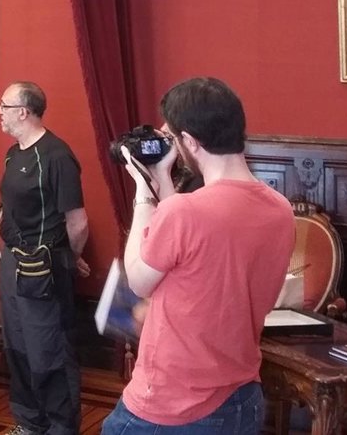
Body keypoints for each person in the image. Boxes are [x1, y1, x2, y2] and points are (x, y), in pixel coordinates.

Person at [102, 77, 294, 435]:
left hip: (172, 403)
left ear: (189, 141)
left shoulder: (185, 213)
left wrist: (143, 192)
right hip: (241, 396)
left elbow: (139, 280)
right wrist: (163, 178)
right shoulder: (280, 209)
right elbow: (187, 240)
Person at [0, 81, 90, 435]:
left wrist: (71, 257)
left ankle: (61, 427)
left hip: (45, 267)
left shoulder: (57, 156)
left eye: (4, 106)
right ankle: (28, 423)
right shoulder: (12, 153)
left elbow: (77, 222)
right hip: (12, 264)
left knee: (49, 350)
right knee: (17, 346)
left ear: (24, 111)